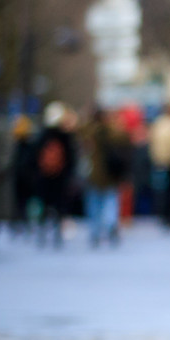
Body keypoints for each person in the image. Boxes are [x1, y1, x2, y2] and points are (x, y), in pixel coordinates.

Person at [78, 105, 129, 246]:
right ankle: (110, 224)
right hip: (110, 173)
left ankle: (95, 231)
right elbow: (124, 139)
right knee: (110, 201)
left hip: (93, 173)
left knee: (94, 203)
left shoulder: (89, 131)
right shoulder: (111, 130)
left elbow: (79, 133)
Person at [32, 101, 77, 247]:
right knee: (59, 207)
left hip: (44, 177)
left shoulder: (41, 135)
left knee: (44, 206)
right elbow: (71, 158)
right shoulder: (65, 136)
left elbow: (33, 157)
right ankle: (57, 234)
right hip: (60, 177)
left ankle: (42, 234)